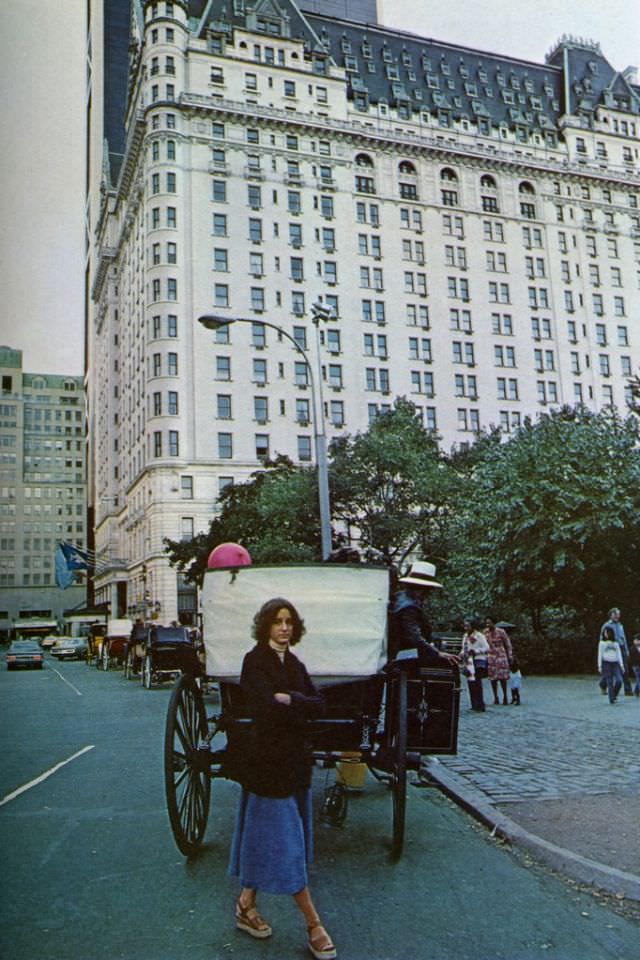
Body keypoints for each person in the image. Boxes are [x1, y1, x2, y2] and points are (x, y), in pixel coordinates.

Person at [228, 597, 336, 960]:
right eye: (277, 621)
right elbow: (263, 711)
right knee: (289, 847)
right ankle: (314, 925)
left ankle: (246, 905)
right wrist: (295, 706)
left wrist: (289, 699)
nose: (284, 627)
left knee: (266, 840)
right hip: (267, 768)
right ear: (266, 626)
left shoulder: (294, 664)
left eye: (289, 621)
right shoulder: (253, 661)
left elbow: (318, 705)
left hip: (294, 767)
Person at [390, 560, 460, 668]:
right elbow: (414, 637)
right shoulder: (409, 607)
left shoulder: (401, 597)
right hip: (403, 657)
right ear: (421, 589)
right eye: (428, 591)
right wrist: (438, 653)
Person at [598, 608, 632, 696]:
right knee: (608, 670)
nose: (617, 616)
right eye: (615, 614)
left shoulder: (620, 625)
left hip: (621, 648)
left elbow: (623, 638)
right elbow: (602, 638)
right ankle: (603, 685)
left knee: (624, 669)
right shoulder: (606, 625)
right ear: (611, 615)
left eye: (618, 614)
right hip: (611, 648)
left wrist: (627, 650)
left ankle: (628, 690)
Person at [461, 618, 489, 712]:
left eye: (468, 626)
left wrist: (476, 651)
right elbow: (464, 648)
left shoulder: (479, 635)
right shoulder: (465, 636)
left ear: (473, 626)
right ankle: (474, 704)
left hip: (478, 660)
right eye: (465, 626)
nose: (466, 628)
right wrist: (462, 653)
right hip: (469, 661)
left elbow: (486, 647)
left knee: (477, 682)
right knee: (470, 682)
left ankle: (481, 704)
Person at [484, 616, 512, 705]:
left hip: (500, 655)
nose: (488, 625)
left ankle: (505, 696)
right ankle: (495, 696)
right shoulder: (486, 632)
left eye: (489, 623)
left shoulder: (501, 631)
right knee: (493, 678)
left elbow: (508, 643)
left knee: (502, 677)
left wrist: (510, 655)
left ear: (494, 623)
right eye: (486, 623)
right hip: (491, 655)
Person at [598, 624, 624, 704]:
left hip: (615, 663)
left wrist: (622, 665)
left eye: (607, 632)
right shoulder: (602, 643)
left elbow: (619, 654)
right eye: (605, 632)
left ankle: (614, 694)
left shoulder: (615, 643)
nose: (606, 634)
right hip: (606, 663)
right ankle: (611, 699)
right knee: (609, 682)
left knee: (619, 680)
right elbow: (600, 654)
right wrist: (599, 665)